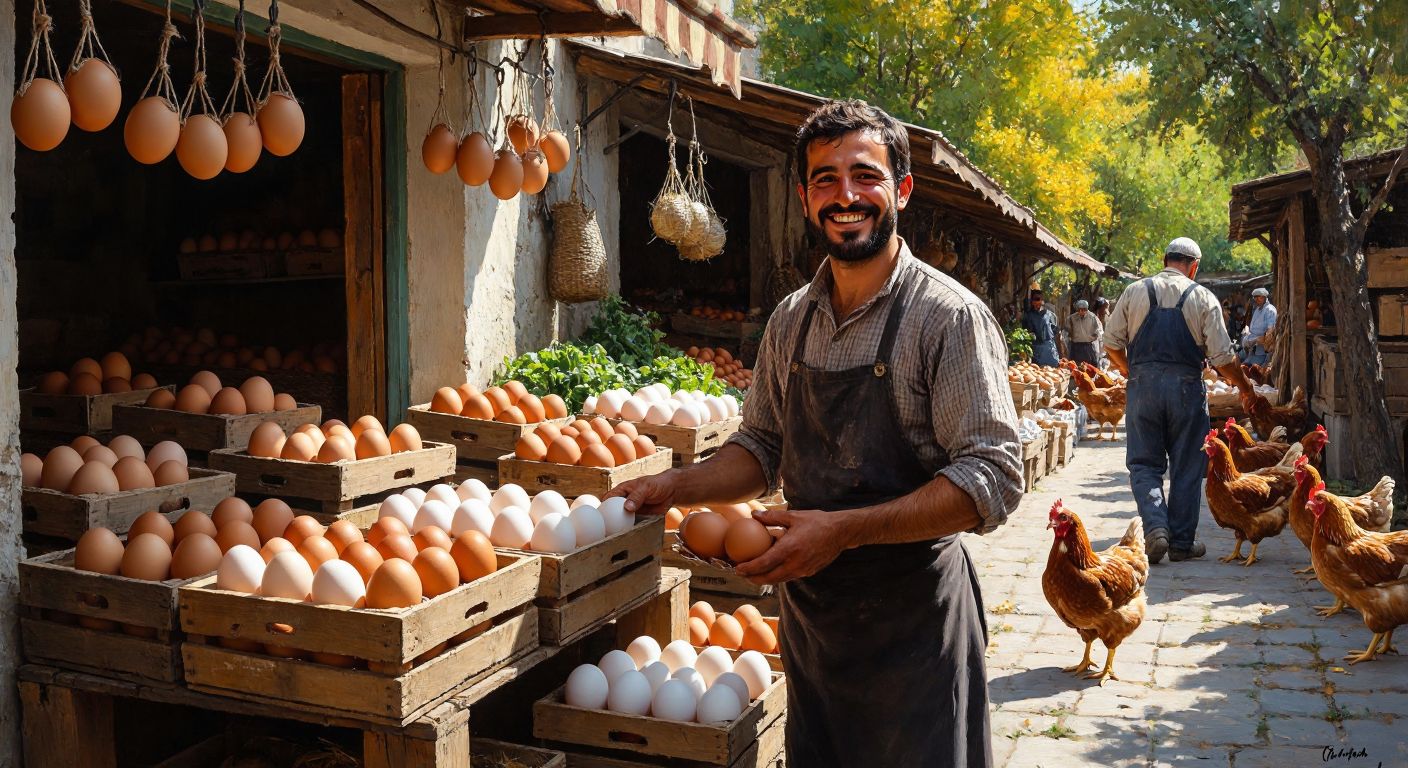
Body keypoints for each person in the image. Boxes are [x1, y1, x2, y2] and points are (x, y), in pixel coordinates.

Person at [610, 100, 1022, 767]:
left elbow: (994, 480)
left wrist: (843, 530)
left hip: (913, 630)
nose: (845, 195)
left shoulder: (947, 318)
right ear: (804, 199)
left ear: (901, 190)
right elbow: (763, 446)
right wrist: (679, 485)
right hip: (814, 628)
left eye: (864, 175)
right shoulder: (790, 321)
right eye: (825, 179)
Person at [1103, 237, 1259, 564]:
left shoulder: (1134, 291)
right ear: (1194, 267)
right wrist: (1244, 387)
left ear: (1164, 259)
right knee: (1187, 466)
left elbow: (1111, 343)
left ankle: (1156, 527)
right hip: (1186, 390)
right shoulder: (1202, 297)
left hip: (1143, 389)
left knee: (1144, 464)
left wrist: (1133, 371)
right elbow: (1223, 359)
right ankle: (1181, 542)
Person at [1022, 290, 1062, 366]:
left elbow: (1056, 332)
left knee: (1053, 373)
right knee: (1038, 373)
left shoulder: (1050, 315)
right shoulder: (1028, 316)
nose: (1038, 302)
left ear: (1042, 300)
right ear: (1032, 301)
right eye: (1035, 299)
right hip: (1037, 351)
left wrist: (1060, 351)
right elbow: (1025, 332)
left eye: (1040, 299)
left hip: (1050, 350)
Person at [1241, 287, 1277, 365]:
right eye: (1255, 297)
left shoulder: (1269, 310)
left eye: (1259, 297)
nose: (1256, 299)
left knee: (1253, 371)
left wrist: (1267, 346)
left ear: (1264, 297)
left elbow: (1270, 330)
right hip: (1253, 348)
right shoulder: (1257, 310)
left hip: (1262, 352)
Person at [1063, 299, 1103, 367]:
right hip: (1076, 347)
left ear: (1087, 309)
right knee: (1075, 368)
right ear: (1077, 309)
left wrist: (1098, 345)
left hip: (1088, 347)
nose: (1082, 311)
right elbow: (1066, 332)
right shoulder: (1071, 318)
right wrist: (1067, 345)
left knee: (1089, 369)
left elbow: (1099, 331)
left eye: (1084, 309)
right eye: (1080, 309)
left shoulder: (1093, 317)